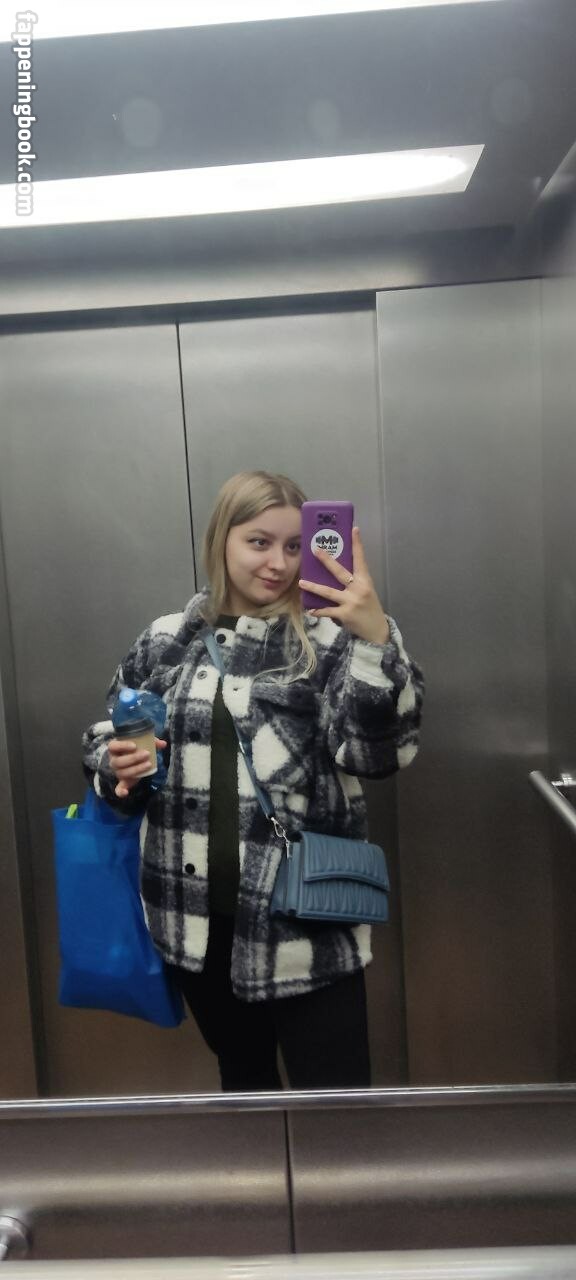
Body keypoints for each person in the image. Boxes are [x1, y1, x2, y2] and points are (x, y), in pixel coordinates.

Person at [82, 470, 424, 1091]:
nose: (279, 563)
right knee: (244, 1082)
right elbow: (110, 737)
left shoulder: (331, 641)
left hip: (306, 919)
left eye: (295, 546)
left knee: (337, 1097)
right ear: (223, 540)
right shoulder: (167, 639)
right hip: (194, 918)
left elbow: (375, 756)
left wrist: (375, 637)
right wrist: (116, 765)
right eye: (259, 542)